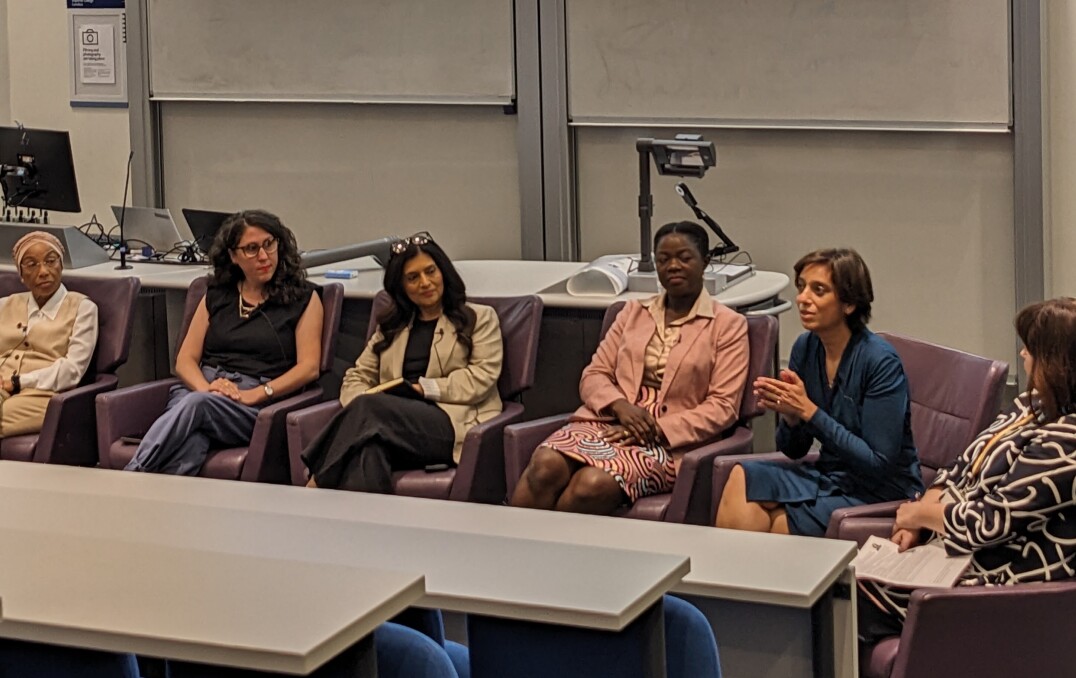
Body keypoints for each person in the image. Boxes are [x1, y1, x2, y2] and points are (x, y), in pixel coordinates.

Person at [857, 297, 1076, 642]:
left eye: (1031, 347)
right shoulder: (1030, 407)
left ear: (1057, 361)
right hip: (946, 558)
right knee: (829, 587)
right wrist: (922, 517)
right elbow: (958, 467)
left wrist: (920, 516)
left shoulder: (1066, 443)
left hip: (992, 586)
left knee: (836, 604)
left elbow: (988, 523)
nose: (1022, 354)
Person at [510, 221, 749, 515]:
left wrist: (659, 429)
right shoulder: (632, 312)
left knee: (591, 484)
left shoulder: (728, 325)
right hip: (606, 421)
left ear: (705, 262)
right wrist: (619, 406)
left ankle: (558, 556)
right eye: (663, 259)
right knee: (545, 466)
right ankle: (517, 552)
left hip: (669, 440)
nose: (673, 266)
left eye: (684, 258)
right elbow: (594, 374)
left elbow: (723, 406)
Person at [715, 248, 923, 536]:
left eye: (818, 290)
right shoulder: (806, 347)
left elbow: (879, 462)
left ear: (848, 303)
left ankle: (745, 576)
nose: (802, 299)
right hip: (828, 475)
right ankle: (732, 579)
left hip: (879, 489)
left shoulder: (880, 361)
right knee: (742, 478)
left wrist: (808, 411)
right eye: (801, 287)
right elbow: (793, 449)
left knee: (777, 525)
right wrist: (791, 418)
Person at [124, 210, 323, 475]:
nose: (264, 256)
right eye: (251, 249)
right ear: (233, 256)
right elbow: (185, 360)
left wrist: (255, 394)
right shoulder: (217, 293)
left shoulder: (304, 298)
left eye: (269, 244)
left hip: (255, 403)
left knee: (195, 408)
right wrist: (207, 390)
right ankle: (173, 509)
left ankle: (131, 474)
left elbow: (309, 368)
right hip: (203, 390)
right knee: (193, 437)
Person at [302, 232, 503, 493]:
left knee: (371, 412)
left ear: (443, 272)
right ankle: (371, 531)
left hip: (450, 424)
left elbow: (481, 378)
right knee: (367, 450)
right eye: (413, 277)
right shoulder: (392, 327)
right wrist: (360, 406)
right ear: (401, 286)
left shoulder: (478, 318)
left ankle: (315, 482)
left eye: (431, 271)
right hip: (389, 425)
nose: (425, 282)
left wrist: (424, 389)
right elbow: (356, 376)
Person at [0, 231, 98, 437]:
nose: (43, 271)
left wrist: (21, 381)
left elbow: (73, 370)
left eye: (50, 261)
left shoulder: (82, 307)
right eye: (32, 264)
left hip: (44, 394)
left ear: (61, 266)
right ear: (20, 273)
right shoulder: (5, 305)